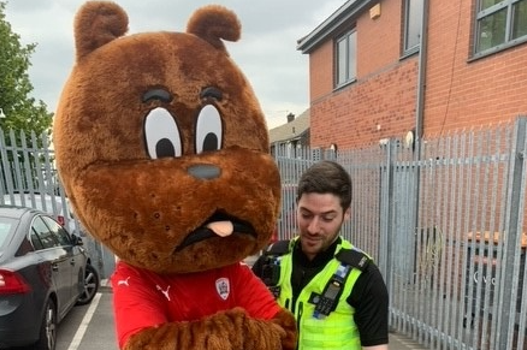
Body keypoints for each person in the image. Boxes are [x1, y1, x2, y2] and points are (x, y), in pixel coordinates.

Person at [252, 160, 389, 350]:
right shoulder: (270, 261)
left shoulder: (364, 277)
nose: (313, 228)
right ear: (297, 205)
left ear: (346, 214)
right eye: (306, 214)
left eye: (327, 218)